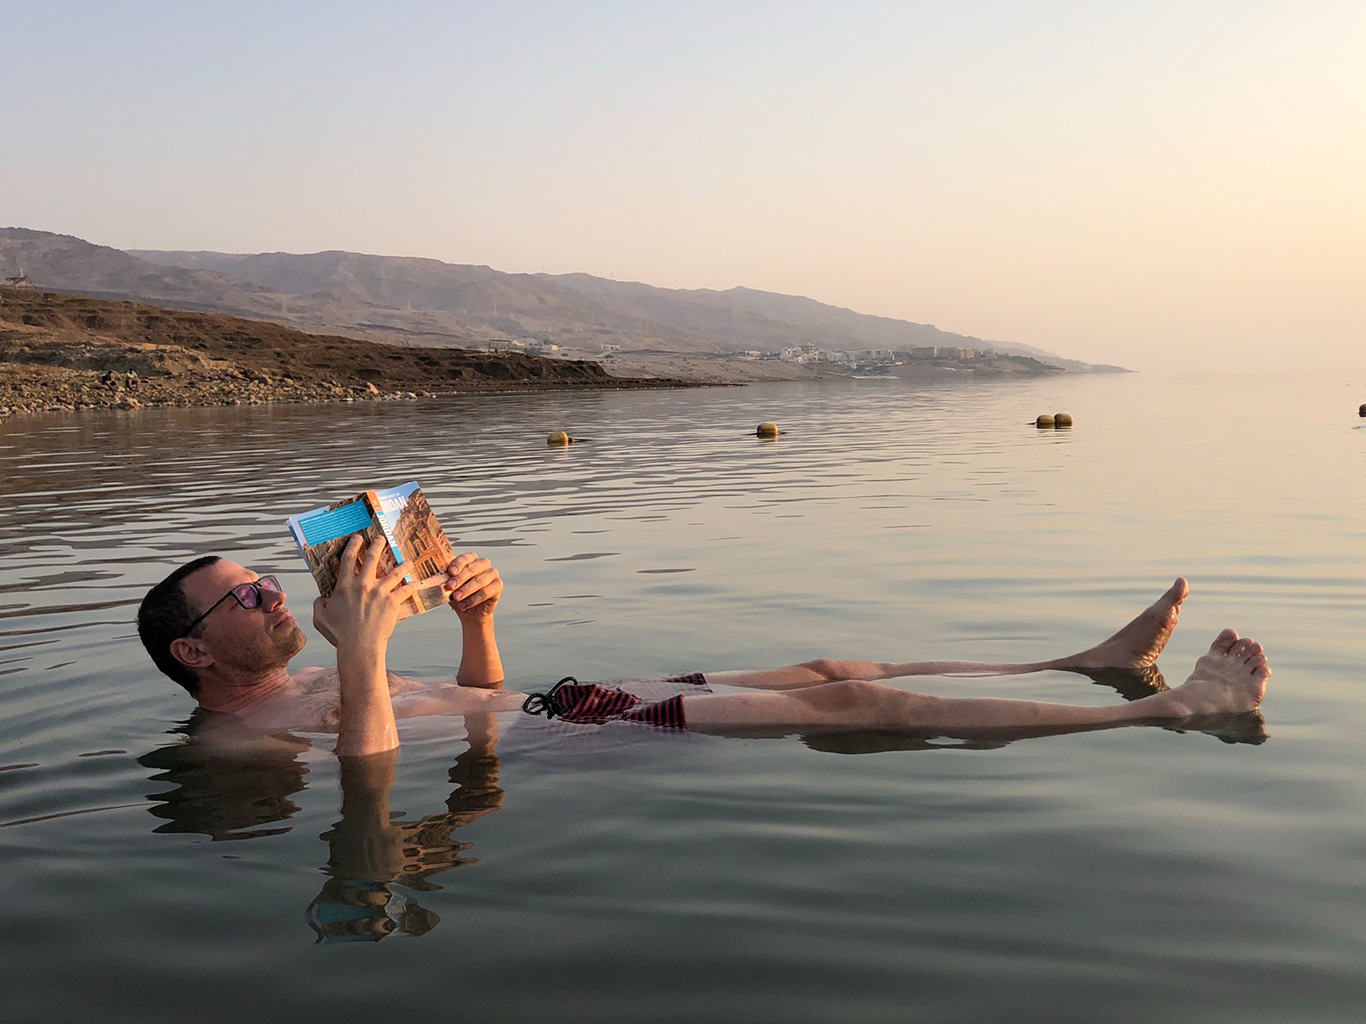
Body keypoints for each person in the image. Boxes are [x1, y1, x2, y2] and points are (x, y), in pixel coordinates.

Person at [137, 536, 1270, 758]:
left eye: (271, 580)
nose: (275, 598)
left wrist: (477, 614)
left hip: (562, 694)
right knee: (855, 716)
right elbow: (373, 780)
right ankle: (1166, 710)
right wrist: (365, 644)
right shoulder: (237, 742)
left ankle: (1078, 663)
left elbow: (471, 695)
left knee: (831, 667)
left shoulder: (325, 670)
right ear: (195, 656)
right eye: (244, 598)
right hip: (575, 731)